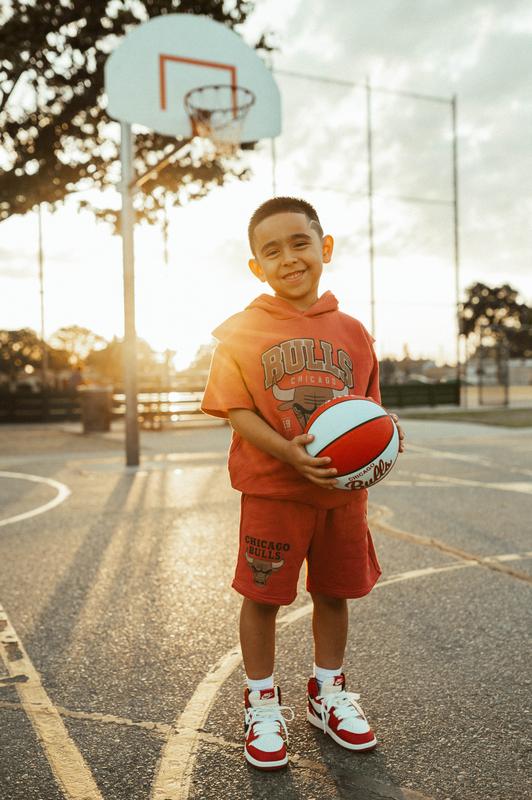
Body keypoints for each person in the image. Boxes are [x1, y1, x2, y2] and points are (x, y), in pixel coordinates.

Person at [201, 197, 405, 771]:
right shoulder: (240, 331)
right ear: (255, 266)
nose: (288, 258)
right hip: (272, 491)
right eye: (272, 250)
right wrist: (289, 451)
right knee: (262, 597)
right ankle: (262, 701)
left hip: (342, 495)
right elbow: (235, 409)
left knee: (335, 591)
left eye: (299, 243)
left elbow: (370, 415)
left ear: (325, 249)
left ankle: (327, 692)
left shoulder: (354, 332)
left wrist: (387, 444)